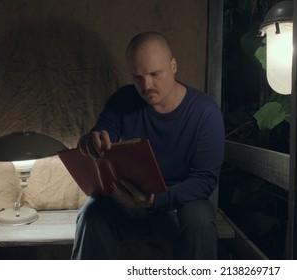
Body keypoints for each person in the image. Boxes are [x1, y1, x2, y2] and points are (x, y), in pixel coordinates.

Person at [71, 31, 225, 260]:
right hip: (131, 199)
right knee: (92, 211)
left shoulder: (206, 112)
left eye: (155, 74)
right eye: (137, 77)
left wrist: (155, 200)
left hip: (180, 202)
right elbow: (102, 134)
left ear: (173, 66)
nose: (146, 85)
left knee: (200, 218)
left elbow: (204, 181)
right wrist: (91, 141)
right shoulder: (123, 99)